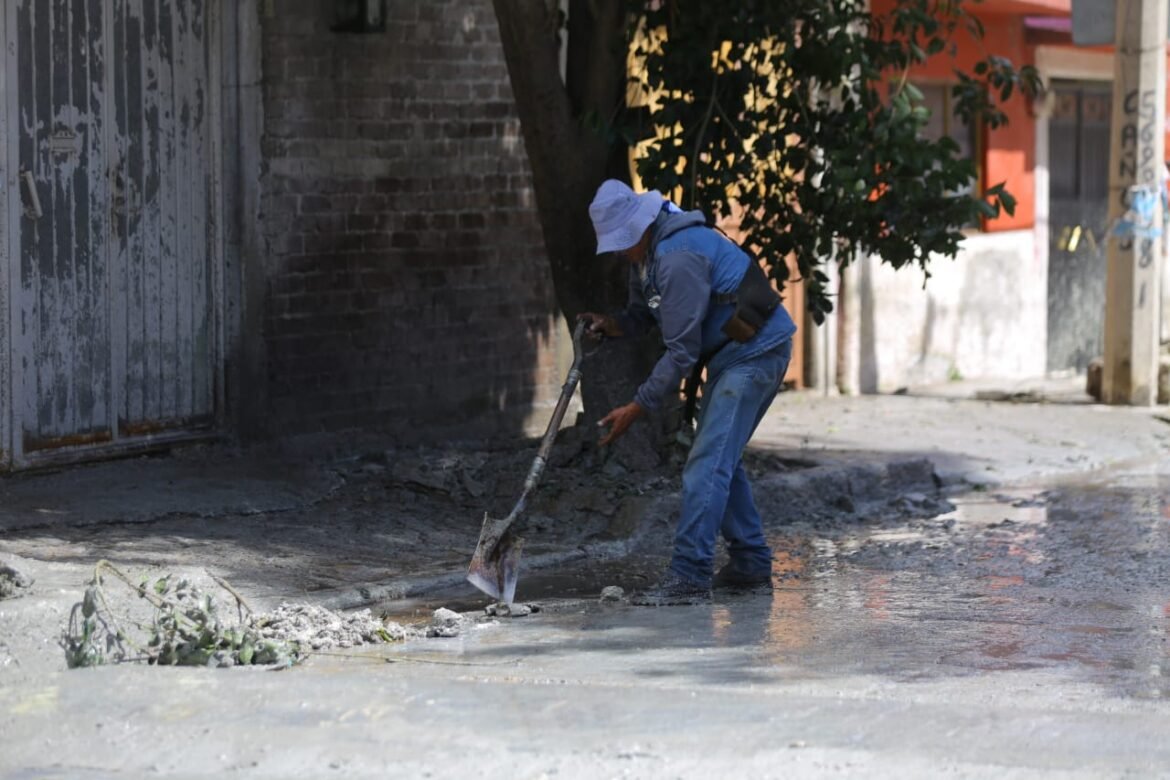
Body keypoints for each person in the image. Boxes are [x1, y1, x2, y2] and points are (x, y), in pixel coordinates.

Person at [579, 179, 796, 606]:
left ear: (641, 225)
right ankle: (750, 563)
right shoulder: (646, 258)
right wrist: (613, 324)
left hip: (754, 353)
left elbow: (681, 353)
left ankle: (688, 576)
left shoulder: (677, 255)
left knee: (706, 465)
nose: (622, 251)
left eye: (625, 241)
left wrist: (638, 406)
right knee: (720, 461)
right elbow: (643, 317)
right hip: (731, 356)